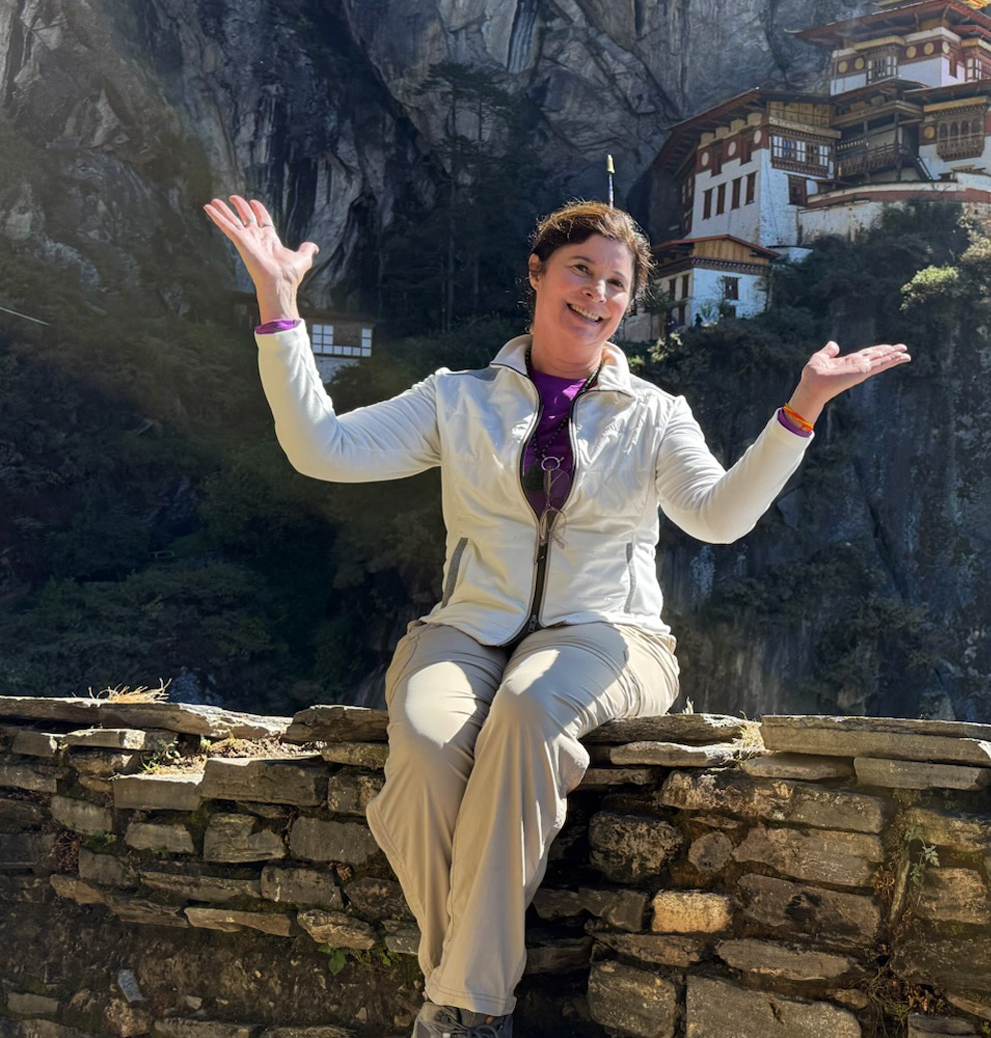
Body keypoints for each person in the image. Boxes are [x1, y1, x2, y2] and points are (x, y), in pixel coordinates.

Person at [203, 194, 910, 1038]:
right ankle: (460, 981)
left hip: (610, 637)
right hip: (465, 631)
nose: (598, 293)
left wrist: (801, 408)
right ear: (537, 274)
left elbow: (719, 516)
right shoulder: (456, 398)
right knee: (427, 751)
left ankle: (468, 1008)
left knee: (528, 713)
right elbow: (322, 448)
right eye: (581, 269)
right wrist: (280, 307)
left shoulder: (655, 413)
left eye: (617, 283)